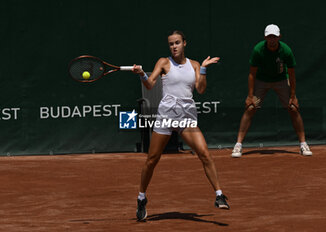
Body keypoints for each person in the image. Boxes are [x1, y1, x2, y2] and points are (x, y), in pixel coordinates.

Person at [132, 30, 230, 221]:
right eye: (171, 44)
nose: (174, 47)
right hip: (166, 116)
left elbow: (201, 90)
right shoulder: (163, 62)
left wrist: (203, 69)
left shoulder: (194, 65)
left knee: (205, 154)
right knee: (152, 159)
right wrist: (143, 74)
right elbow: (150, 85)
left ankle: (219, 195)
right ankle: (141, 197)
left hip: (186, 117)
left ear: (185, 43)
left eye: (177, 43)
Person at [231, 24, 313, 158]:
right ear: (265, 37)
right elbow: (252, 74)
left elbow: (291, 75)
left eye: (274, 36)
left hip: (281, 80)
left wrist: (293, 95)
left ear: (279, 37)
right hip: (262, 81)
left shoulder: (286, 50)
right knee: (250, 108)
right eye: (269, 36)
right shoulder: (258, 49)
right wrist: (250, 96)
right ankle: (238, 145)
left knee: (293, 108)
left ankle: (303, 144)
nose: (272, 39)